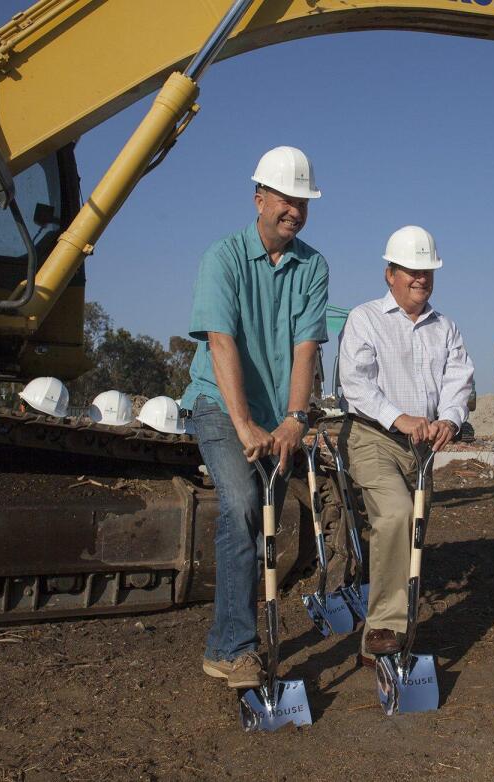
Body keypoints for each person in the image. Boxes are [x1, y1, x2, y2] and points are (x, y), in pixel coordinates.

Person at [181, 146, 328, 689]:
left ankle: (232, 639)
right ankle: (234, 647)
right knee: (242, 504)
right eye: (285, 198)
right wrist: (245, 425)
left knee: (267, 516)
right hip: (220, 405)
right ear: (259, 197)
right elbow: (221, 341)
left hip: (276, 417)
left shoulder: (313, 266)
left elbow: (305, 347)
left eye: (303, 201)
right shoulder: (222, 257)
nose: (294, 209)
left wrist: (295, 418)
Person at [338, 225, 474, 663]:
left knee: (412, 531)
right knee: (396, 515)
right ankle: (384, 627)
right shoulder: (365, 319)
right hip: (373, 437)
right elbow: (355, 384)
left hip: (422, 450)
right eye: (411, 270)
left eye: (427, 270)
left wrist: (450, 419)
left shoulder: (445, 328)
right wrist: (400, 417)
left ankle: (392, 634)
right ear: (389, 274)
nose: (421, 278)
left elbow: (459, 380)